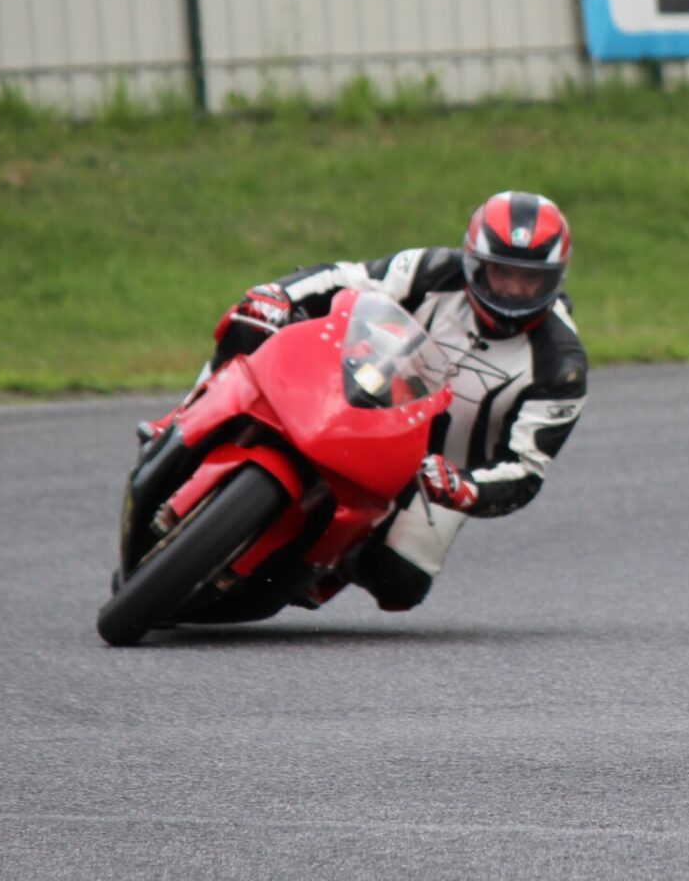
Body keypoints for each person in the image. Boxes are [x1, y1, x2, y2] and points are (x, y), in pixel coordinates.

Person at [198, 190, 587, 611]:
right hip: (364, 396)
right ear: (475, 263)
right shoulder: (434, 269)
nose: (513, 289)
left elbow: (525, 469)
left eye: (530, 279)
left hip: (433, 473)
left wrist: (464, 487)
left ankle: (329, 564)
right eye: (502, 273)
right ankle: (194, 417)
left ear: (554, 279)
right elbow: (352, 278)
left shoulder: (560, 365)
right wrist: (281, 292)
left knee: (400, 580)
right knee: (250, 321)